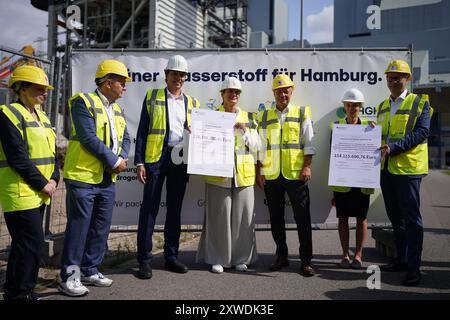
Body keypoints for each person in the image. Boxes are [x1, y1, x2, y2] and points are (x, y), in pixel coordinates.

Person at [59, 59, 131, 296]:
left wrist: (121, 157)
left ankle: (90, 269)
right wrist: (114, 161)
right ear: (108, 82)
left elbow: (126, 138)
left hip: (106, 179)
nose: (125, 87)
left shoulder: (116, 109)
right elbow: (88, 138)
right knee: (79, 228)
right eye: (122, 82)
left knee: (100, 227)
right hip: (83, 176)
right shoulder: (82, 102)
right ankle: (69, 277)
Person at [135, 55, 199, 279]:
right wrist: (140, 161)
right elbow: (142, 130)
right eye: (174, 74)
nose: (178, 78)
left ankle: (171, 256)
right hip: (155, 158)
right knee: (149, 208)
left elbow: (198, 131)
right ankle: (144, 260)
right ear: (166, 75)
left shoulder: (192, 102)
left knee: (174, 208)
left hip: (180, 159)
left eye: (182, 75)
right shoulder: (152, 97)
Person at [0, 65, 59, 300]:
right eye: (39, 88)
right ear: (22, 88)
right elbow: (17, 157)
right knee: (32, 244)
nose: (45, 93)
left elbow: (52, 153)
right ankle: (22, 292)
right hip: (21, 191)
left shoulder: (42, 116)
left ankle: (16, 291)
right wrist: (43, 183)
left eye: (46, 89)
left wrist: (54, 178)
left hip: (41, 191)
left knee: (23, 246)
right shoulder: (8, 114)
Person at [377, 60, 432, 286]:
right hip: (387, 169)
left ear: (407, 79)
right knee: (395, 218)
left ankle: (414, 268)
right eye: (389, 78)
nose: (392, 82)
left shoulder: (420, 103)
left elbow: (422, 133)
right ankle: (401, 258)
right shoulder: (382, 106)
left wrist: (393, 148)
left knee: (411, 220)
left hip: (408, 169)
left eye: (397, 77)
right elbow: (381, 134)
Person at [196, 77, 259, 273]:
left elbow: (259, 148)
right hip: (218, 174)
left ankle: (241, 258)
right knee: (219, 216)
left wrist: (245, 133)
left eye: (236, 92)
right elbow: (202, 144)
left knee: (243, 217)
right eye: (229, 91)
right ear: (222, 94)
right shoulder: (211, 117)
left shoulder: (249, 117)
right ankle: (217, 258)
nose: (233, 95)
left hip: (243, 174)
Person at [256, 74, 315, 277]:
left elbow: (309, 143)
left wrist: (307, 166)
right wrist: (260, 171)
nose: (283, 94)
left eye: (286, 90)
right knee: (276, 218)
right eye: (279, 91)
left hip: (296, 174)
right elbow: (260, 147)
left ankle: (306, 261)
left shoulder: (301, 112)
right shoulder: (264, 116)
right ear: (273, 93)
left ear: (292, 91)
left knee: (303, 219)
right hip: (272, 174)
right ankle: (281, 256)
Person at [330, 89, 374, 270]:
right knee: (342, 218)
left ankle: (358, 254)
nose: (352, 108)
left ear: (361, 107)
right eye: (349, 105)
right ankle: (344, 254)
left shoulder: (369, 128)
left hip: (362, 181)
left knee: (361, 218)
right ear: (344, 107)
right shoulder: (337, 127)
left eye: (356, 105)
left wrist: (373, 134)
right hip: (342, 182)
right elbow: (333, 154)